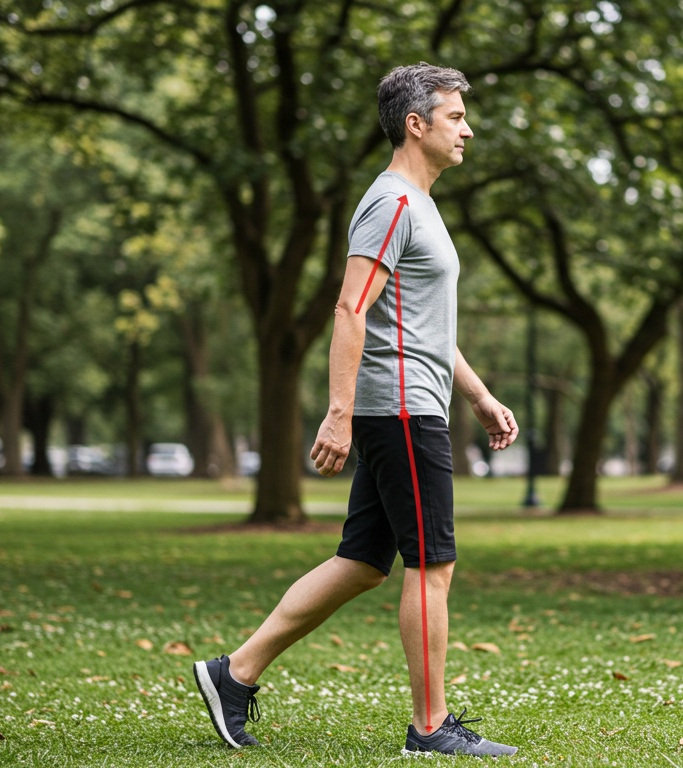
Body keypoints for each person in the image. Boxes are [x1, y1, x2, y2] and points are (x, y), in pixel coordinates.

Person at [193, 63, 519, 758]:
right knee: (431, 565)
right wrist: (338, 412)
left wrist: (479, 395)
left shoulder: (419, 205)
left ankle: (233, 673)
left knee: (364, 561)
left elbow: (424, 326)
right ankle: (430, 728)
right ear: (416, 124)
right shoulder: (392, 203)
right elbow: (350, 307)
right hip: (400, 411)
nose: (467, 129)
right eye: (456, 117)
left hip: (411, 404)